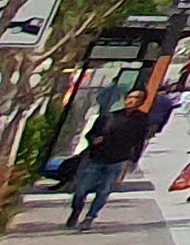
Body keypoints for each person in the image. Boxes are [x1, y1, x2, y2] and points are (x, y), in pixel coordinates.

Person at [61, 92, 155, 228]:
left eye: (137, 98)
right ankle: (75, 212)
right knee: (81, 190)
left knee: (103, 191)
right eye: (129, 97)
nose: (132, 101)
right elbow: (90, 134)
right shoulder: (110, 116)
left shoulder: (142, 120)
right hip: (96, 158)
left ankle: (90, 217)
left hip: (117, 160)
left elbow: (139, 142)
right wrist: (94, 140)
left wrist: (133, 160)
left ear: (142, 102)